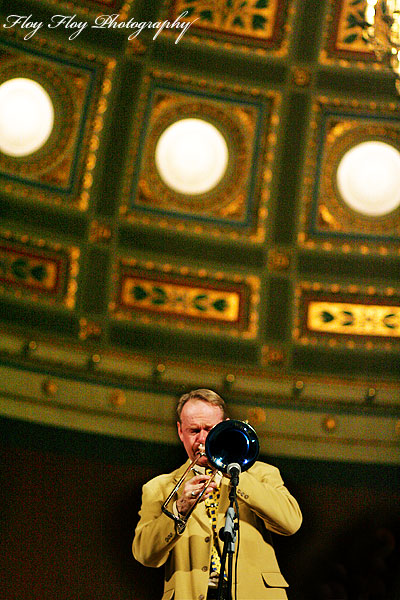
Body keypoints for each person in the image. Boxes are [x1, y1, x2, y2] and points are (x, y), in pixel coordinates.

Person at [132, 389, 302, 600]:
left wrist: (236, 477)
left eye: (209, 429)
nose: (202, 439)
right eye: (194, 430)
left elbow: (291, 523)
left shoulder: (261, 473)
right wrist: (179, 509)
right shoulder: (158, 488)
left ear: (224, 427)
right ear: (180, 431)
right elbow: (145, 554)